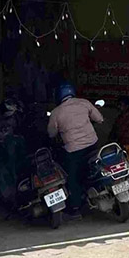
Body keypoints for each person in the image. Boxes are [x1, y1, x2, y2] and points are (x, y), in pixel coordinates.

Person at [47, 82, 103, 216]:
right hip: (92, 144)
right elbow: (100, 119)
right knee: (96, 169)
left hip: (73, 151)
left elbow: (51, 134)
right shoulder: (84, 103)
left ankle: (76, 207)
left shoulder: (56, 112)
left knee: (73, 178)